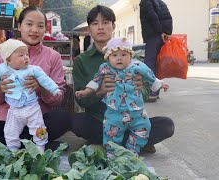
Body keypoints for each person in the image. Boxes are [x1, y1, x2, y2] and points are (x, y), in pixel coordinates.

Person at [72, 5, 174, 154]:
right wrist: (100, 91)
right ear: (89, 29)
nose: (100, 27)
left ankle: (120, 143)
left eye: (105, 22)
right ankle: (134, 142)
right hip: (101, 120)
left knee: (166, 125)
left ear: (113, 26)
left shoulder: (131, 58)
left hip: (132, 118)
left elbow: (147, 90)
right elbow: (81, 100)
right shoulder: (82, 60)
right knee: (77, 123)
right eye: (95, 23)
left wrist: (141, 87)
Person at [0, 6, 70, 156]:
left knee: (63, 119)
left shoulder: (53, 56)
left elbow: (57, 99)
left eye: (40, 26)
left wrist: (41, 87)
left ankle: (23, 146)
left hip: (38, 116)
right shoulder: (5, 54)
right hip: (9, 117)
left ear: (45, 29)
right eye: (29, 24)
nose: (35, 30)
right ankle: (37, 145)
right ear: (19, 26)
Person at [0, 39, 62, 152]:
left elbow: (46, 80)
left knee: (39, 129)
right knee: (10, 131)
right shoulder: (1, 70)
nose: (26, 57)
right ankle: (13, 150)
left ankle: (40, 147)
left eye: (27, 54)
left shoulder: (33, 69)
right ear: (8, 60)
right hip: (14, 110)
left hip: (32, 108)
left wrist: (54, 90)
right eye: (21, 55)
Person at [139, 0, 173, 102]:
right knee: (155, 64)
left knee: (149, 64)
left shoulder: (146, 1)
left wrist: (159, 31)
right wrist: (166, 32)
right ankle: (155, 92)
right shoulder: (160, 2)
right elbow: (168, 17)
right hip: (161, 36)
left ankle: (151, 93)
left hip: (153, 35)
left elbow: (152, 16)